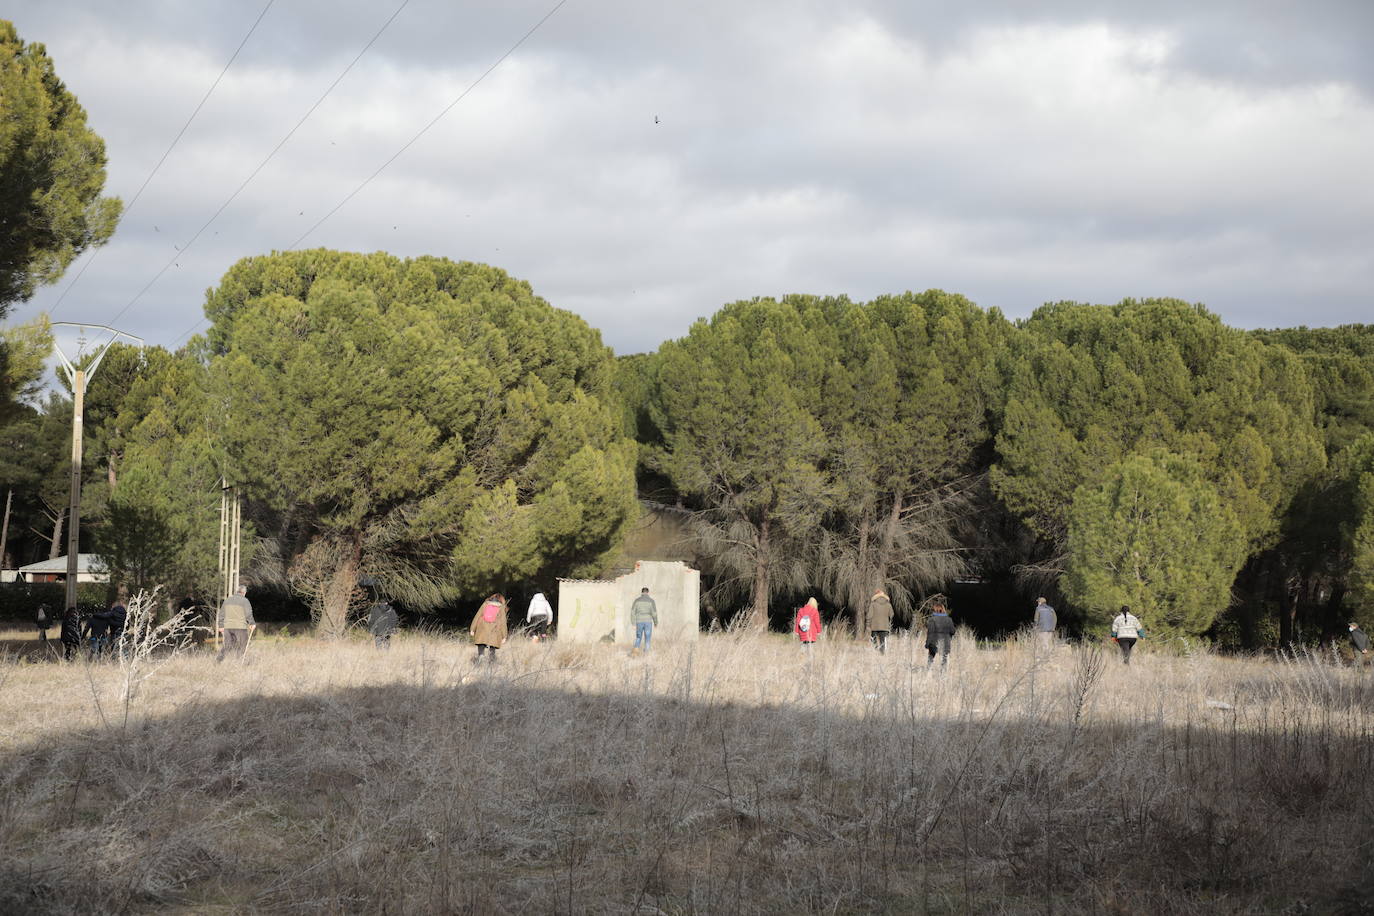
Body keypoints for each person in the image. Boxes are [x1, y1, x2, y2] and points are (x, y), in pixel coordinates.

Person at [216, 585, 256, 661]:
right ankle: (239, 661)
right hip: (240, 628)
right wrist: (252, 623)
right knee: (242, 645)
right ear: (244, 592)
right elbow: (248, 614)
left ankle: (218, 661)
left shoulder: (227, 600)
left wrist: (221, 626)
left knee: (227, 646)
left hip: (228, 628)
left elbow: (221, 614)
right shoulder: (245, 601)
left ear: (236, 592)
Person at [471, 594, 508, 662]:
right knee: (492, 648)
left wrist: (472, 629)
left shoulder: (485, 604)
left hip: (482, 628)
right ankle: (491, 664)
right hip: (494, 629)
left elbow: (477, 616)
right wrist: (504, 636)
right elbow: (503, 622)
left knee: (481, 644)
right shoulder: (501, 607)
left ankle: (481, 657)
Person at [925, 602, 954, 667]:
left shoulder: (932, 619)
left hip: (933, 643)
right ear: (943, 609)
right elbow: (953, 631)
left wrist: (927, 644)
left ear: (934, 610)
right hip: (945, 643)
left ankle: (928, 672)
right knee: (944, 659)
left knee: (930, 658)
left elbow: (930, 633)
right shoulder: (949, 619)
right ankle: (943, 674)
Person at [631, 587, 658, 654]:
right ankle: (646, 653)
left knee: (638, 637)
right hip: (648, 622)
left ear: (642, 592)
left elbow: (632, 612)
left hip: (639, 621)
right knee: (647, 638)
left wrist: (633, 623)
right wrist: (656, 622)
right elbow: (654, 613)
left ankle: (635, 651)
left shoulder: (636, 600)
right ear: (648, 592)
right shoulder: (651, 601)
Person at [868, 589, 894, 654]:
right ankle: (882, 653)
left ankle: (876, 650)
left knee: (873, 639)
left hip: (874, 625)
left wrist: (868, 624)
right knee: (883, 640)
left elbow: (869, 615)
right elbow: (891, 615)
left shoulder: (873, 604)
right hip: (885, 625)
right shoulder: (888, 604)